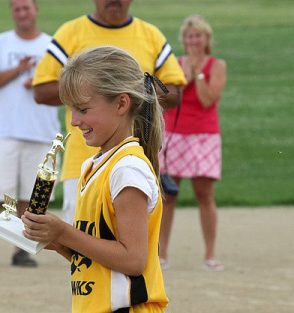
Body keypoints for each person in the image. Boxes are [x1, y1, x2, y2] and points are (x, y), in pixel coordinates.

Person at [22, 46, 172, 313]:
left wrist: (65, 232)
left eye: (83, 109)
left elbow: (133, 260)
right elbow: (96, 257)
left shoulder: (127, 169)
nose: (73, 120)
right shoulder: (96, 165)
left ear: (121, 104)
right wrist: (53, 238)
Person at [32, 0, 186, 225]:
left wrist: (122, 90)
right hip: (82, 161)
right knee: (85, 245)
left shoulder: (151, 35)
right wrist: (94, 90)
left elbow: (174, 92)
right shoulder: (71, 32)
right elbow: (41, 91)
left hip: (135, 156)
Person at [0, 0, 60, 268]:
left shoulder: (52, 44)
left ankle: (22, 249)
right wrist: (17, 71)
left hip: (42, 131)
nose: (22, 13)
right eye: (17, 9)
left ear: (36, 10)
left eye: (26, 8)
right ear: (12, 13)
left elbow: (65, 82)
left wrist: (39, 83)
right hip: (4, 131)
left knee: (32, 198)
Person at [158, 15, 227, 271]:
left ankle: (210, 254)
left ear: (207, 38)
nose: (194, 40)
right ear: (183, 40)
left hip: (204, 135)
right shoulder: (174, 64)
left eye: (198, 35)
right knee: (168, 196)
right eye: (189, 36)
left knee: (204, 194)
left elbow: (209, 99)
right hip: (174, 133)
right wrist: (182, 77)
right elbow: (166, 97)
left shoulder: (216, 65)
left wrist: (196, 73)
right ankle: (161, 252)